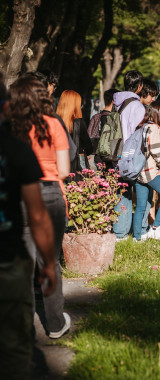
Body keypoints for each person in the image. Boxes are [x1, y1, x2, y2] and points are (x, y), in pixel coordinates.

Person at [0, 73, 57, 379]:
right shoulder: (17, 149)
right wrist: (48, 262)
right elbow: (37, 215)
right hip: (9, 260)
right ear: (6, 105)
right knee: (16, 346)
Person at [9, 76, 71, 339]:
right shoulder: (54, 123)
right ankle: (56, 324)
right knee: (50, 261)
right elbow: (65, 170)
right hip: (49, 194)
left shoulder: (10, 127)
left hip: (19, 195)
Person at [133, 103, 160, 241]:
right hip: (150, 171)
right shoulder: (154, 127)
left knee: (140, 206)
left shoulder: (141, 127)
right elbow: (156, 152)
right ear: (159, 114)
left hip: (139, 171)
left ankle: (137, 237)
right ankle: (155, 228)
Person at [112, 70, 146, 240]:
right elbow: (136, 134)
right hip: (131, 154)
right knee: (137, 192)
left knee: (121, 192)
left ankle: (119, 230)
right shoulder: (137, 106)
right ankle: (135, 230)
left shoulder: (117, 103)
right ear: (140, 86)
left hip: (116, 152)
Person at [56, 90, 93, 175]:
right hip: (77, 166)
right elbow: (89, 147)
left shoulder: (55, 121)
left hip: (58, 164)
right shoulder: (79, 123)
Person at [88, 88, 119, 154]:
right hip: (109, 156)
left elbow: (89, 135)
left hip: (96, 155)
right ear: (113, 101)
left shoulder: (95, 117)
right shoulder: (114, 118)